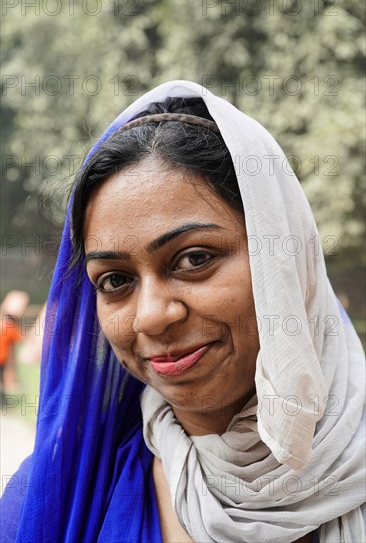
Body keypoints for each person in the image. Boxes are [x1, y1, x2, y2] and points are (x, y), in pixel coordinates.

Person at [1, 81, 364, 542]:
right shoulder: (51, 499)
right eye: (115, 280)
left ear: (285, 262)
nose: (151, 317)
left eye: (194, 258)